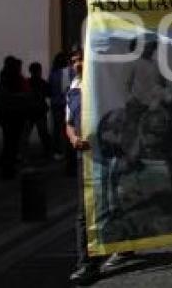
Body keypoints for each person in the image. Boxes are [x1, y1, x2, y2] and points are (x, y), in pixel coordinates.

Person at [66, 49, 105, 284]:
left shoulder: (102, 81)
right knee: (83, 212)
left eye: (80, 59)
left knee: (112, 201)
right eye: (73, 61)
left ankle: (122, 247)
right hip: (85, 156)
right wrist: (73, 139)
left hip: (106, 153)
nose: (77, 64)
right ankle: (86, 263)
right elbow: (68, 122)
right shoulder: (72, 86)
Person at [122, 39, 169, 173]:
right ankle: (131, 156)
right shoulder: (132, 64)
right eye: (148, 46)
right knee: (134, 126)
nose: (151, 49)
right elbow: (126, 85)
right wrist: (132, 99)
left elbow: (164, 83)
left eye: (152, 47)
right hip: (138, 103)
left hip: (156, 101)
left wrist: (164, 95)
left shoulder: (157, 65)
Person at [0, 56, 29, 179]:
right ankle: (8, 167)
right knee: (13, 142)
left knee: (8, 141)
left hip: (4, 115)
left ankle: (6, 165)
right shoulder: (17, 80)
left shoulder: (3, 79)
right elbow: (25, 94)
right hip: (16, 114)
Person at [24, 62, 53, 159]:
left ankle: (23, 155)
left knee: (26, 135)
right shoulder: (42, 83)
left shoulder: (27, 82)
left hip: (30, 111)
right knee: (43, 133)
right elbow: (49, 94)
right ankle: (48, 152)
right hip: (39, 111)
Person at [48, 52, 71, 160]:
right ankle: (67, 150)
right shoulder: (70, 71)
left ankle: (58, 150)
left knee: (57, 128)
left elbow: (50, 88)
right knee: (68, 127)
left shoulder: (53, 73)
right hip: (66, 103)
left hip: (56, 103)